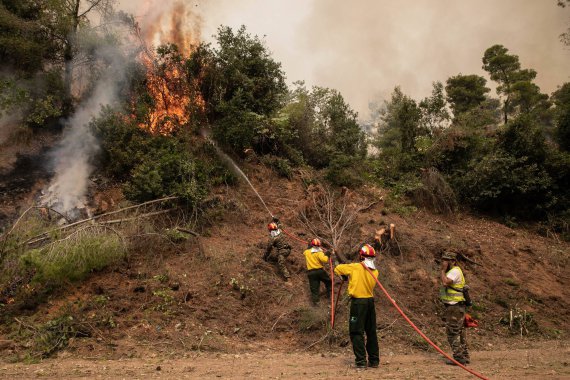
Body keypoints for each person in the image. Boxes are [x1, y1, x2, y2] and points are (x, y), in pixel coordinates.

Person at [334, 244, 379, 370]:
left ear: (361, 255)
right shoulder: (375, 271)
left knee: (356, 332)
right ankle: (374, 361)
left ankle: (361, 362)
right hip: (370, 302)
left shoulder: (354, 267)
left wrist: (343, 275)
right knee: (371, 332)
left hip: (359, 303)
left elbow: (338, 268)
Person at [439, 250, 470, 365]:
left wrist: (442, 270)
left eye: (446, 260)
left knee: (452, 332)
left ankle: (459, 357)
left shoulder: (455, 271)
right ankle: (464, 356)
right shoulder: (454, 271)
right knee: (460, 332)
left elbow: (446, 282)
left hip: (455, 306)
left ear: (453, 261)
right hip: (456, 306)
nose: (444, 262)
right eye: (443, 260)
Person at [263, 218, 292, 286]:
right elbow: (280, 224)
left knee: (281, 263)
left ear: (270, 230)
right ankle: (276, 260)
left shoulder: (272, 238)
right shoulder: (280, 230)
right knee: (278, 256)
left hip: (283, 251)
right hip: (288, 249)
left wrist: (264, 257)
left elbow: (268, 249)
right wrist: (276, 220)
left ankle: (289, 280)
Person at [303, 238, 331, 305]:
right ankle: (330, 295)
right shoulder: (319, 252)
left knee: (314, 288)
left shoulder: (306, 252)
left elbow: (305, 252)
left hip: (311, 273)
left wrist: (309, 247)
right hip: (320, 271)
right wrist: (327, 254)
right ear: (319, 245)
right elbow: (324, 260)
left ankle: (316, 302)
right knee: (328, 282)